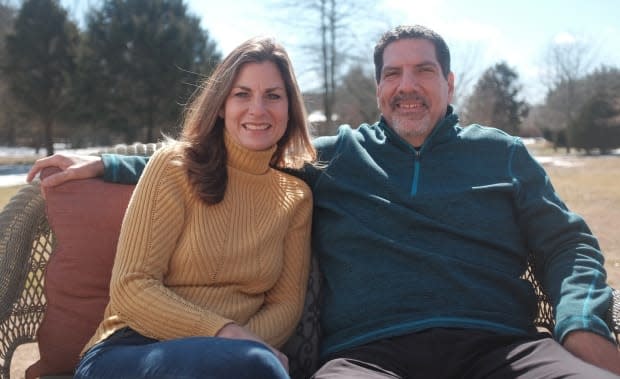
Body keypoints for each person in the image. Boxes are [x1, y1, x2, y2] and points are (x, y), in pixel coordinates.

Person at [28, 25, 620, 378]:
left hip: (501, 344)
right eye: (392, 74)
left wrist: (581, 323)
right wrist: (106, 163)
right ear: (379, 85)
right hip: (370, 355)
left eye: (423, 71)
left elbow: (567, 240)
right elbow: (224, 151)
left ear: (450, 83)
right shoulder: (338, 157)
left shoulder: (502, 154)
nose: (406, 86)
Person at [40, 36, 316, 379]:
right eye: (242, 94)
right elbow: (131, 287)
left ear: (289, 108)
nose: (257, 109)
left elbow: (285, 305)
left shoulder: (296, 197)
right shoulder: (173, 167)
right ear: (220, 106)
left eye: (273, 96)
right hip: (131, 349)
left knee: (254, 367)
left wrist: (238, 346)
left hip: (234, 359)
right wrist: (227, 334)